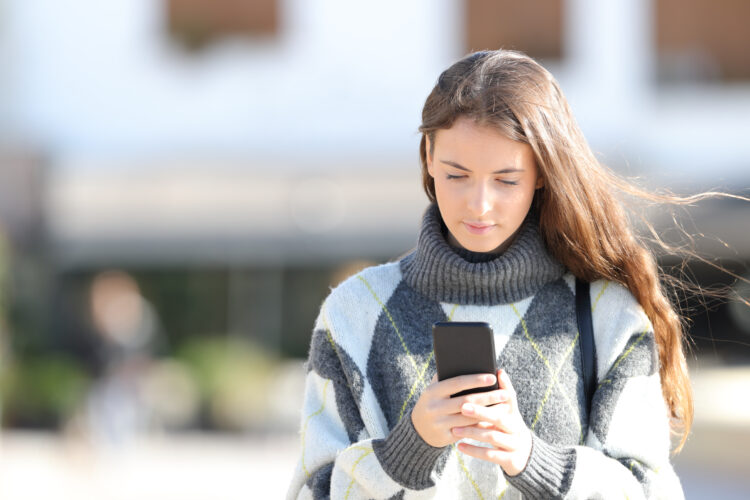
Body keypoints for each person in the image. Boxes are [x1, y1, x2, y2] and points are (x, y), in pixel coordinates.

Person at [287, 49, 692, 499]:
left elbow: (652, 492)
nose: (479, 205)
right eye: (457, 175)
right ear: (428, 156)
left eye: (506, 180)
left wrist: (533, 460)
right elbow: (311, 492)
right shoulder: (353, 313)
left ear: (541, 173)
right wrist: (407, 449)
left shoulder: (608, 314)